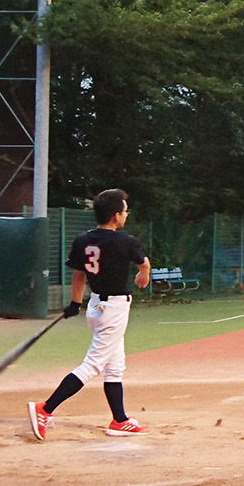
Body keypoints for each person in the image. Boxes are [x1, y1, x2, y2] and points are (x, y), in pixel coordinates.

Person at [28, 188, 152, 440]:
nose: (126, 214)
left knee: (115, 366)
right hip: (114, 309)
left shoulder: (84, 240)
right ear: (116, 216)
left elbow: (79, 274)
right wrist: (144, 275)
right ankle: (46, 408)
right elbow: (144, 262)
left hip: (96, 306)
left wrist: (75, 302)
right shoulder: (125, 241)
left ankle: (120, 420)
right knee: (93, 365)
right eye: (125, 211)